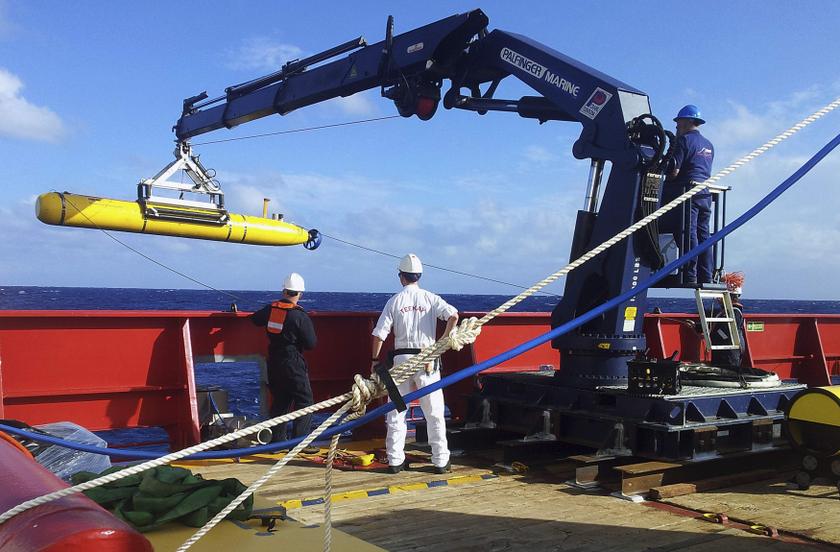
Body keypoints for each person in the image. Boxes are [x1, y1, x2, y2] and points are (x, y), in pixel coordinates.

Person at [371, 254, 459, 474]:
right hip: (427, 362)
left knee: (396, 411)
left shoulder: (394, 301)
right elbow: (453, 316)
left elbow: (379, 334)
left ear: (401, 276)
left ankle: (395, 461)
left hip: (400, 364)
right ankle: (440, 461)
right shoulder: (431, 298)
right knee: (434, 412)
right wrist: (442, 341)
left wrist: (374, 360)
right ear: (419, 276)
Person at [250, 272, 319, 453]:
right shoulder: (300, 316)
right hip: (292, 361)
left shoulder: (271, 310)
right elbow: (311, 344)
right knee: (305, 400)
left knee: (281, 400)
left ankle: (277, 442)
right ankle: (299, 443)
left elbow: (255, 319)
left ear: (284, 291)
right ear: (300, 294)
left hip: (274, 361)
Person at [665, 104, 715, 284]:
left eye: (678, 122)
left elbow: (674, 172)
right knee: (704, 235)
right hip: (705, 195)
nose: (676, 126)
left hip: (688, 194)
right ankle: (706, 275)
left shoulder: (684, 141)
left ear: (686, 122)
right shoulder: (709, 145)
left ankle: (690, 274)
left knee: (688, 232)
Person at [709, 271, 746, 370]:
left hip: (728, 354)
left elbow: (726, 332)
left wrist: (711, 332)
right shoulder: (727, 311)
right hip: (723, 352)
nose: (718, 299)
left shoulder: (735, 312)